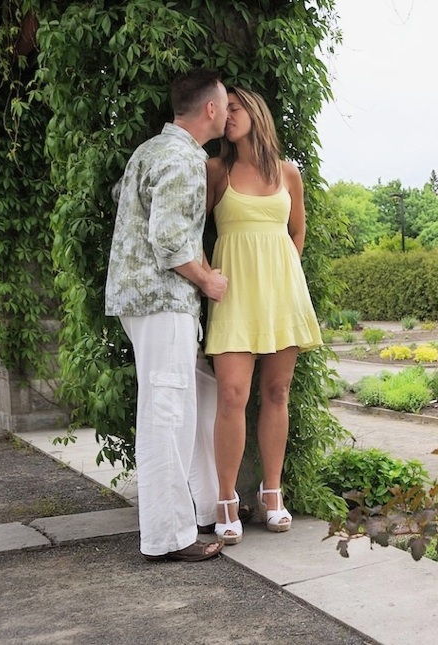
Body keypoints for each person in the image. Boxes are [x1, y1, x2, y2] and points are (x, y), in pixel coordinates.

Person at [105, 68, 230, 562]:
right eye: (225, 104)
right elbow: (170, 241)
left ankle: (200, 507)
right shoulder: (181, 159)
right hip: (163, 301)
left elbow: (125, 200)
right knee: (166, 414)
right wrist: (209, 280)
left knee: (197, 395)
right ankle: (168, 537)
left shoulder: (151, 151)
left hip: (143, 300)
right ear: (211, 110)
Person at [204, 87, 322, 544]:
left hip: (281, 297)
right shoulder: (216, 170)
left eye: (233, 109)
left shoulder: (289, 173)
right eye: (223, 109)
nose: (226, 117)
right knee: (232, 394)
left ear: (255, 111)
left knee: (277, 391)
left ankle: (273, 494)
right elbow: (193, 230)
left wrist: (283, 275)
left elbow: (298, 233)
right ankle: (227, 500)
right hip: (233, 296)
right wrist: (207, 277)